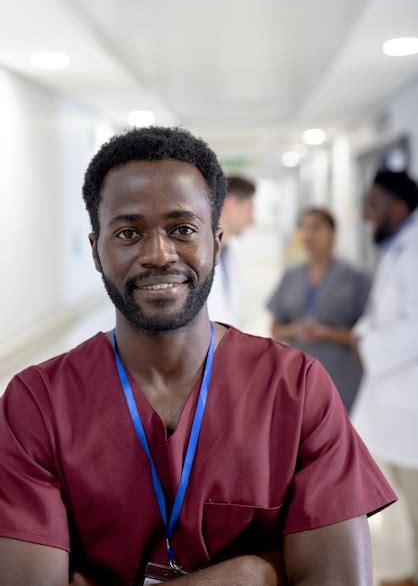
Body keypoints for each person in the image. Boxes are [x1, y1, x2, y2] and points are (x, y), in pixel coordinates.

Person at [0, 127, 396, 586]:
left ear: (216, 240)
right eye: (128, 232)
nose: (157, 253)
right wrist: (255, 573)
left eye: (182, 228)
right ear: (96, 251)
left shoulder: (297, 388)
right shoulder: (37, 403)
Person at [352, 169, 418, 586]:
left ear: (397, 205)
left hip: (410, 409)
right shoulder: (400, 248)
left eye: (373, 205)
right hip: (395, 410)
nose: (365, 214)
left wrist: (365, 344)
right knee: (401, 514)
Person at [267, 207, 371, 412]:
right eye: (303, 228)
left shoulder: (356, 278)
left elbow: (369, 333)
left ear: (332, 233)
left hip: (344, 383)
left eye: (316, 227)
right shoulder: (291, 276)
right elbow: (275, 328)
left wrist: (328, 333)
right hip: (299, 381)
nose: (308, 235)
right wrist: (295, 330)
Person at [207, 175, 255, 326]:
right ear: (231, 203)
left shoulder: (228, 254)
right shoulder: (202, 253)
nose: (252, 219)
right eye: (249, 209)